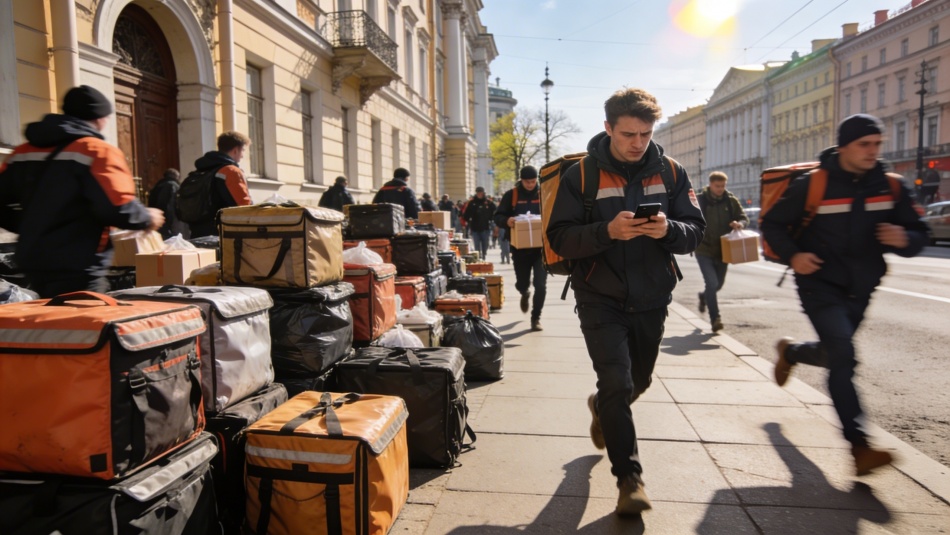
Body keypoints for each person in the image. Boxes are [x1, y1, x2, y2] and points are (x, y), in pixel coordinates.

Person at [546, 88, 705, 515]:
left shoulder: (672, 171)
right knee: (617, 382)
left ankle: (602, 409)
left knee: (639, 382)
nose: (638, 143)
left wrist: (669, 230)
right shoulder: (580, 177)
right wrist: (606, 232)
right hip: (600, 295)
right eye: (628, 134)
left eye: (646, 134)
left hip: (653, 295)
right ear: (608, 129)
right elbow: (558, 238)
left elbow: (695, 232)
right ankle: (629, 479)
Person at [761, 113, 930, 476]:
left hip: (862, 287)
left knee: (834, 352)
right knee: (844, 356)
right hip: (818, 283)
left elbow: (919, 232)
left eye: (877, 144)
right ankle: (859, 446)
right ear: (844, 147)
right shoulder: (814, 184)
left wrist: (906, 240)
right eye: (864, 144)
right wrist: (794, 255)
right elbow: (772, 223)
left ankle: (790, 351)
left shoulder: (892, 186)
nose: (872, 151)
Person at [0, 85, 164, 297]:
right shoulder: (96, 151)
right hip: (78, 263)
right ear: (99, 118)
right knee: (82, 324)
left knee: (51, 322)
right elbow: (117, 208)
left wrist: (30, 224)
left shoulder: (22, 153)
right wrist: (147, 217)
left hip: (33, 259)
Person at [694, 171, 749, 332]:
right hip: (703, 249)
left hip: (724, 250)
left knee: (717, 285)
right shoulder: (700, 200)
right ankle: (715, 319)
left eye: (723, 186)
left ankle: (704, 296)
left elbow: (743, 217)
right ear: (710, 184)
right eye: (717, 186)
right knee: (711, 283)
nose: (720, 189)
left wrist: (739, 224)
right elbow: (689, 218)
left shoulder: (730, 201)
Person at [494, 165, 546, 330]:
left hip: (540, 249)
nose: (530, 185)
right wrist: (506, 220)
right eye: (527, 182)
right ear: (521, 180)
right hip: (519, 248)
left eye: (533, 181)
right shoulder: (512, 195)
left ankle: (535, 318)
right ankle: (524, 292)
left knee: (541, 284)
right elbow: (498, 215)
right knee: (522, 282)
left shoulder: (544, 193)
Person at [188, 131, 253, 238]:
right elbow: (244, 206)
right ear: (236, 150)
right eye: (243, 151)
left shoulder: (202, 170)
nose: (242, 156)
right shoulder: (231, 171)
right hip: (222, 232)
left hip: (197, 231)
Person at [148, 168, 189, 239]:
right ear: (177, 177)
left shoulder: (157, 187)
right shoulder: (172, 186)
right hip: (171, 225)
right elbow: (170, 208)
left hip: (160, 222)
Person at [463, 186, 496, 260]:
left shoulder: (488, 203)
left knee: (485, 245)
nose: (479, 194)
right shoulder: (472, 203)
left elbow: (495, 212)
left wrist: (492, 219)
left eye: (481, 192)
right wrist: (467, 219)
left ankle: (484, 254)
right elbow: (466, 214)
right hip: (475, 228)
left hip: (485, 227)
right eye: (478, 192)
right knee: (477, 246)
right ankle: (478, 258)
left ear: (483, 193)